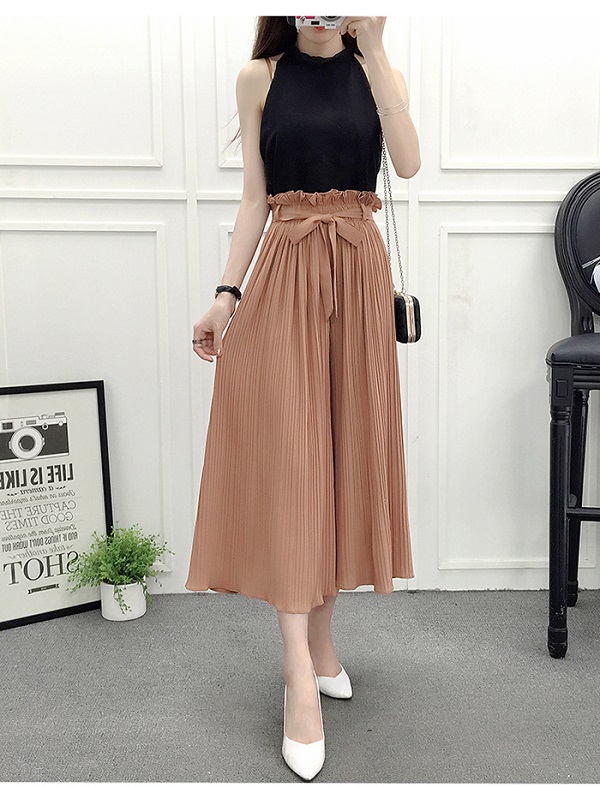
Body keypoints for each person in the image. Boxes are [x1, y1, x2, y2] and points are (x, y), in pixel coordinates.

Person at [185, 16, 421, 780]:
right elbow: (256, 197)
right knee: (293, 467)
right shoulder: (260, 77)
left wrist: (375, 48)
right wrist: (225, 295)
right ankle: (298, 677)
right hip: (285, 275)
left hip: (358, 275)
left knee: (341, 459)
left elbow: (409, 163)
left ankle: (321, 645)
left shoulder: (377, 69)